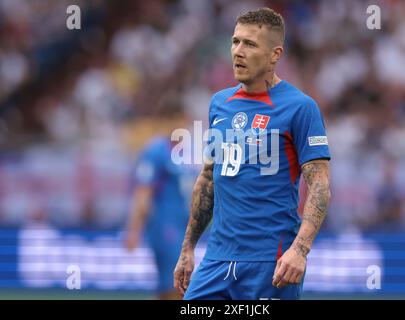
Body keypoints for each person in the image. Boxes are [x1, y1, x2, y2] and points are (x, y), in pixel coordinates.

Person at [174, 7, 331, 300]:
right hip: (217, 261)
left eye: (250, 44)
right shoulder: (219, 104)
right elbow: (208, 179)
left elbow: (320, 185)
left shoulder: (300, 107)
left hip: (271, 263)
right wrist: (187, 248)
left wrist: (299, 250)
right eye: (235, 42)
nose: (237, 51)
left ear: (275, 54)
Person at [125, 111, 194, 300]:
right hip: (165, 227)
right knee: (177, 286)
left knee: (170, 289)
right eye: (177, 121)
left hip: (180, 227)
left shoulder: (184, 155)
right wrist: (134, 229)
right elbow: (143, 192)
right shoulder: (156, 151)